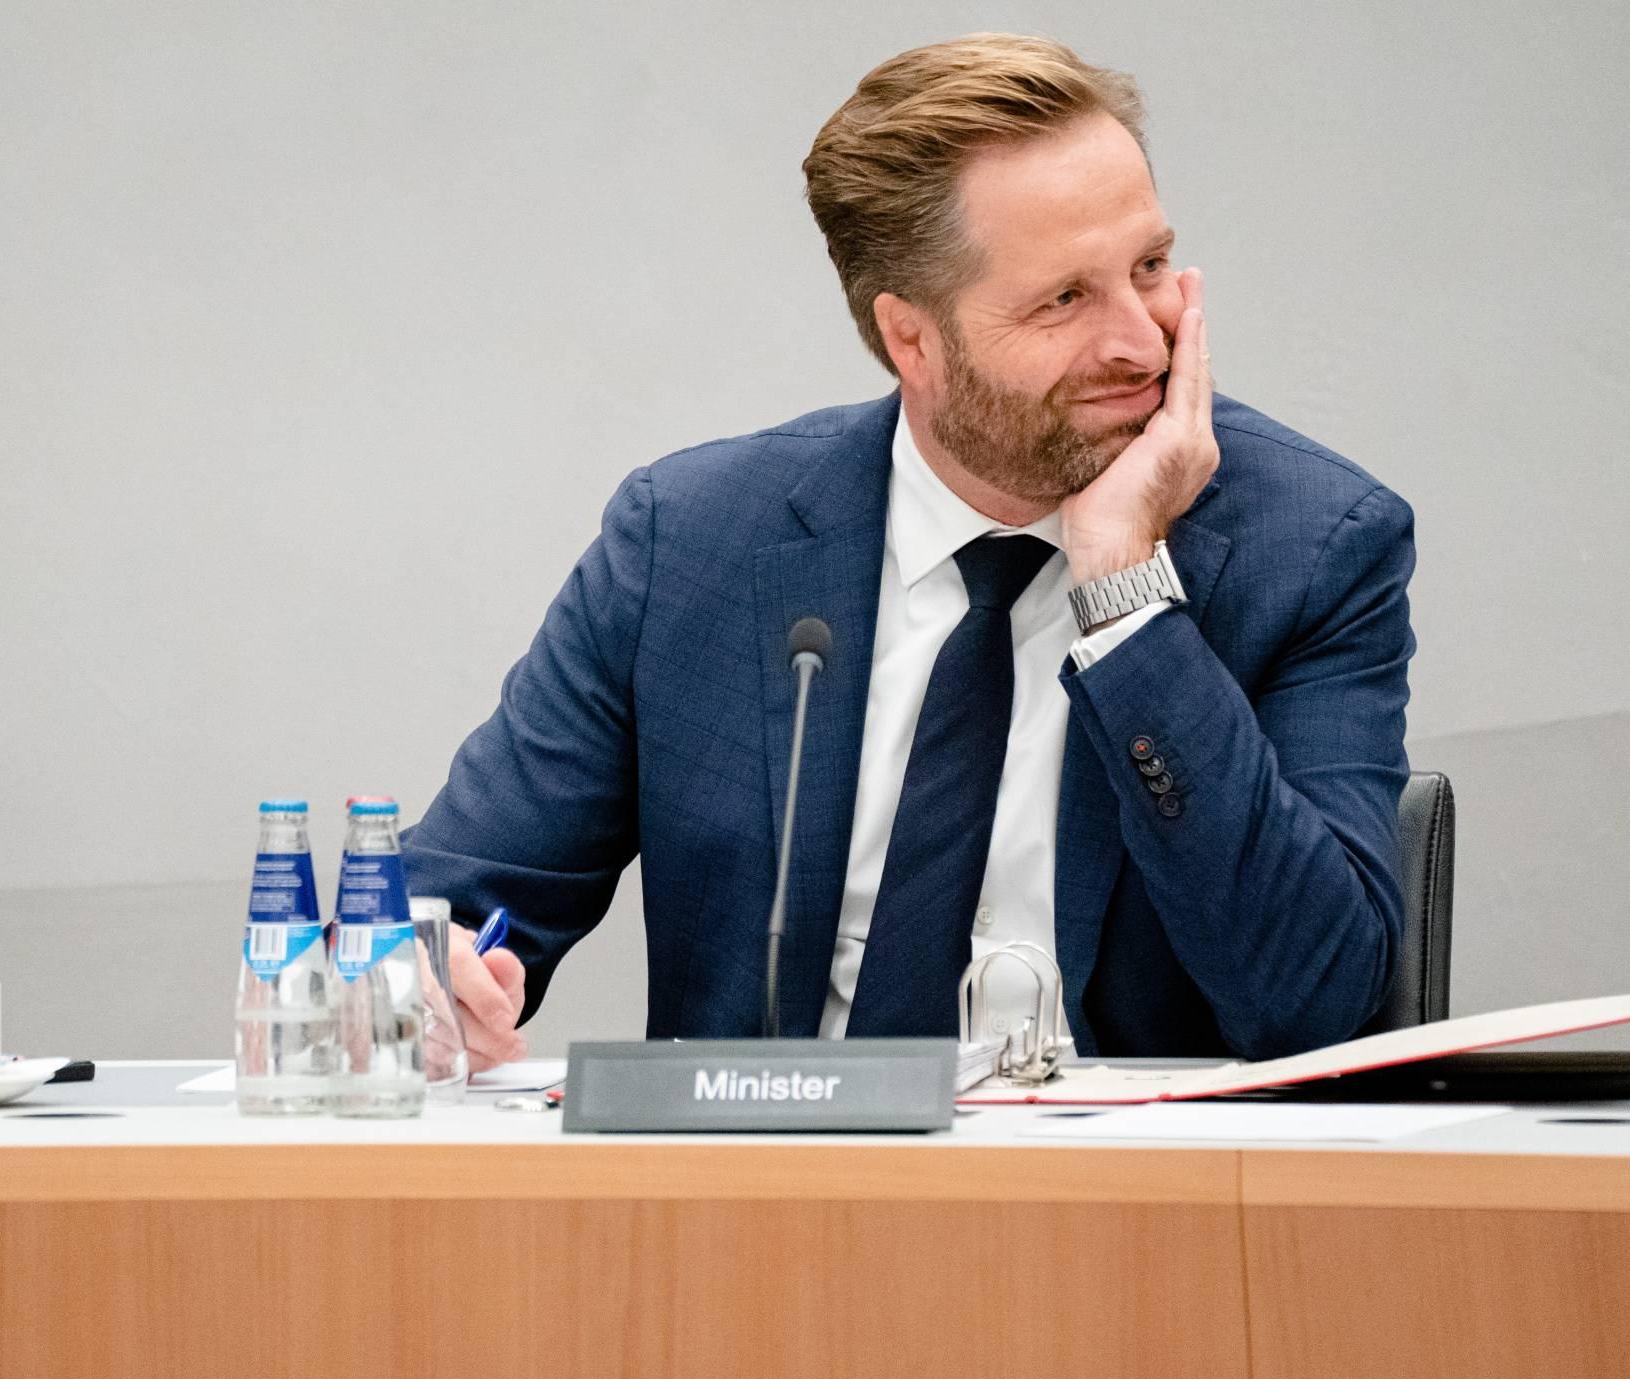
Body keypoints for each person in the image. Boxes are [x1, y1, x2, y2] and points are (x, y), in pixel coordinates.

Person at [405, 33, 1415, 1069]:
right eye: (1065, 298)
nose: (1144, 344)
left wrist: (1125, 593)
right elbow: (445, 910)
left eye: (1150, 267)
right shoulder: (693, 543)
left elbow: (1319, 1009)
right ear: (913, 340)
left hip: (1136, 1211)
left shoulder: (1315, 547)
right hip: (767, 1204)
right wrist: (428, 985)